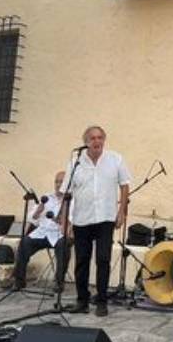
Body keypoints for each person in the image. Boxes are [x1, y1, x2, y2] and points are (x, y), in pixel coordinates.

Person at [61, 126, 130, 316]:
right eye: (92, 138)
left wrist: (122, 211)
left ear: (104, 140)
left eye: (100, 138)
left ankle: (101, 301)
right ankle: (82, 301)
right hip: (82, 218)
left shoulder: (115, 159)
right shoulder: (76, 161)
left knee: (103, 259)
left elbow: (125, 185)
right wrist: (65, 221)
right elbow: (66, 190)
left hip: (105, 217)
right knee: (82, 261)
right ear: (86, 142)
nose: (96, 141)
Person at [12, 171, 68, 291]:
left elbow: (71, 222)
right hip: (42, 233)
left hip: (59, 234)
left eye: (61, 182)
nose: (58, 185)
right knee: (24, 242)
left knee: (63, 245)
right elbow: (32, 219)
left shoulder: (70, 201)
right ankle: (19, 281)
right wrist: (38, 211)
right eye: (56, 182)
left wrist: (60, 221)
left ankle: (59, 282)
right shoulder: (47, 197)